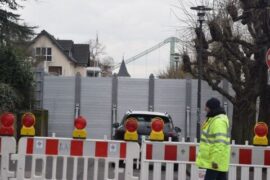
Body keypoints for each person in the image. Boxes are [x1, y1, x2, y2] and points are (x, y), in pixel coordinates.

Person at [196, 97, 231, 180]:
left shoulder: (218, 121)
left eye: (207, 107)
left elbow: (219, 143)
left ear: (211, 108)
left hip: (214, 162)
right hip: (215, 161)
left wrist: (215, 161)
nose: (205, 109)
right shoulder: (214, 119)